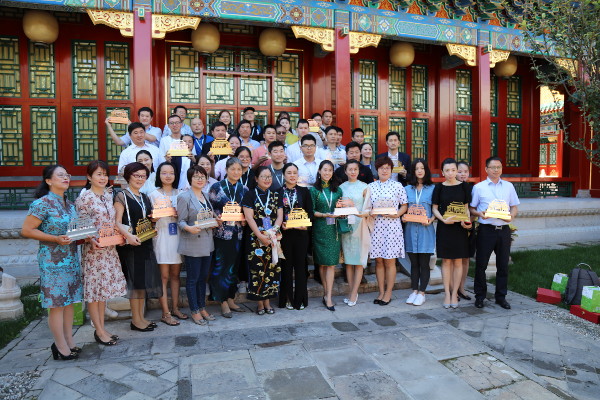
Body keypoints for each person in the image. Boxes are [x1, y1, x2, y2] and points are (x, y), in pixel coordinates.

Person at [21, 165, 83, 360]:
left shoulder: (70, 205)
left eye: (67, 175)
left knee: (70, 301)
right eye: (60, 175)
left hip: (71, 258)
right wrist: (54, 238)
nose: (66, 178)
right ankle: (60, 345)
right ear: (48, 180)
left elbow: (74, 230)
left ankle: (69, 341)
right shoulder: (42, 203)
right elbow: (27, 230)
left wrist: (85, 235)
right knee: (56, 304)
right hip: (52, 261)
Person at [75, 161, 127, 346]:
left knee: (102, 293)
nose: (103, 178)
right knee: (94, 293)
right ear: (89, 177)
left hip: (109, 249)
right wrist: (90, 239)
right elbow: (82, 226)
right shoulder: (84, 198)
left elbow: (113, 222)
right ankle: (98, 330)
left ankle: (102, 329)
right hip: (94, 252)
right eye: (98, 174)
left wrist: (120, 236)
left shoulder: (108, 195)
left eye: (105, 174)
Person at [114, 162, 162, 332]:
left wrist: (154, 220)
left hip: (145, 242)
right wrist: (128, 236)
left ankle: (141, 317)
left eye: (143, 176)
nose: (140, 179)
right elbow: (116, 222)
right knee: (135, 283)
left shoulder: (144, 197)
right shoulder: (121, 196)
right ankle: (136, 320)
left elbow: (147, 219)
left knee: (142, 283)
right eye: (137, 175)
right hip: (130, 245)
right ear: (128, 176)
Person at [469, 156, 520, 310]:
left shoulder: (509, 186)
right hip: (486, 230)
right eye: (493, 167)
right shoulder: (479, 187)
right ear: (486, 169)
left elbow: (514, 206)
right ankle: (480, 296)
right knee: (481, 265)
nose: (496, 170)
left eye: (499, 167)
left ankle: (501, 297)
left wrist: (511, 217)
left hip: (504, 230)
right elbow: (472, 208)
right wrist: (479, 214)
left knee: (503, 265)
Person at [208, 157, 248, 318]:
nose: (236, 172)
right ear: (226, 170)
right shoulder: (217, 187)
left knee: (234, 267)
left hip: (238, 233)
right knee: (221, 267)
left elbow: (247, 210)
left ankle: (231, 298)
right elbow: (209, 208)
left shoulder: (244, 189)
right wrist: (215, 217)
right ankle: (222, 301)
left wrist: (245, 219)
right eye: (233, 169)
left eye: (239, 169)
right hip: (221, 233)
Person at [365, 156, 408, 306]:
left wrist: (397, 214)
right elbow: (367, 206)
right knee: (378, 261)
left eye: (387, 168)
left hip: (392, 227)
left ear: (391, 170)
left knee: (390, 261)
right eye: (382, 168)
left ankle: (388, 292)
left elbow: (404, 205)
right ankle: (381, 291)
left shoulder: (397, 186)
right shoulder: (370, 187)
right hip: (376, 227)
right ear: (377, 170)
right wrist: (370, 212)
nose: (384, 171)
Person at [242, 166, 284, 314]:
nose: (267, 179)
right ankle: (260, 303)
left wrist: (274, 232)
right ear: (256, 179)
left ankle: (268, 302)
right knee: (258, 269)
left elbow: (279, 216)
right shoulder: (250, 195)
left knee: (272, 268)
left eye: (269, 176)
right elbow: (249, 218)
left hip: (273, 237)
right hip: (255, 239)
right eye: (263, 176)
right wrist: (260, 236)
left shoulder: (276, 195)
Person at [177, 165, 216, 325]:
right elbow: (180, 221)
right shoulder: (184, 197)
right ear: (190, 179)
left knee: (202, 278)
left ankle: (202, 307)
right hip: (192, 243)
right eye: (196, 176)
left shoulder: (206, 195)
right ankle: (194, 310)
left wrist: (215, 221)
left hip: (207, 242)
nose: (200, 179)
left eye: (202, 177)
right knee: (193, 279)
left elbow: (207, 217)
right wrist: (189, 228)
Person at [432, 158, 472, 309]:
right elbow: (435, 208)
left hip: (459, 229)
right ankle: (447, 294)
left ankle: (455, 293)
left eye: (453, 170)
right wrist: (443, 220)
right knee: (446, 261)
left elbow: (466, 207)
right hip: (445, 228)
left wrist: (466, 221)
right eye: (447, 170)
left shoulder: (464, 187)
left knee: (458, 261)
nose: (450, 173)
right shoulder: (439, 188)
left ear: (456, 171)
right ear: (442, 172)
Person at [149, 162, 185, 326]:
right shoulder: (153, 195)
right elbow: (149, 220)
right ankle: (165, 313)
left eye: (171, 172)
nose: (168, 176)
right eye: (164, 173)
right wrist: (154, 218)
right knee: (163, 276)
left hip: (178, 237)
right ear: (159, 175)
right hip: (162, 237)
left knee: (175, 276)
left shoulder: (181, 194)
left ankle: (175, 308)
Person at [310, 160, 343, 311]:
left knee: (331, 264)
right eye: (325, 170)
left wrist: (342, 211)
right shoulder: (314, 190)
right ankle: (325, 292)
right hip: (320, 229)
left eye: (330, 170)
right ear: (319, 171)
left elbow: (341, 208)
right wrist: (324, 214)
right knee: (322, 264)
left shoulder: (338, 190)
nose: (327, 173)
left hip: (333, 230)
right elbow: (311, 211)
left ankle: (328, 296)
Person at [279, 163, 313, 310]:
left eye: (294, 173)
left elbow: (310, 212)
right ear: (283, 175)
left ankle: (300, 299)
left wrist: (305, 225)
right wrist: (280, 225)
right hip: (285, 235)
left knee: (300, 267)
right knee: (286, 267)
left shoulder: (304, 191)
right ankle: (287, 298)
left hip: (301, 234)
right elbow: (275, 213)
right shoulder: (277, 192)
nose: (292, 175)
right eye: (289, 173)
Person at [404, 158, 436, 306]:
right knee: (414, 263)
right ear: (413, 171)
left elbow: (436, 209)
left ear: (426, 170)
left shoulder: (433, 189)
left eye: (422, 168)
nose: (419, 171)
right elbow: (403, 207)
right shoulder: (407, 189)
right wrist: (403, 216)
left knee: (424, 263)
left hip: (425, 230)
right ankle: (414, 291)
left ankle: (422, 292)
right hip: (411, 230)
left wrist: (432, 219)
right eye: (417, 168)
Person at [339, 160, 371, 307]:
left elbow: (368, 209)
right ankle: (351, 291)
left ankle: (353, 293)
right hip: (346, 227)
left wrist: (355, 210)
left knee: (358, 261)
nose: (352, 172)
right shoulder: (341, 187)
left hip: (360, 226)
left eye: (355, 169)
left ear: (359, 171)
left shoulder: (365, 187)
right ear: (345, 171)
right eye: (350, 169)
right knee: (348, 261)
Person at [457, 161, 474, 301]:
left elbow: (474, 209)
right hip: (453, 226)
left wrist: (469, 221)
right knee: (453, 260)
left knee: (465, 259)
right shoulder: (450, 187)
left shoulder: (471, 189)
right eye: (460, 171)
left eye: (465, 172)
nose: (463, 174)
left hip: (467, 227)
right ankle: (453, 289)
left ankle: (461, 288)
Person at [160, 114, 192, 190]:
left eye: (177, 122)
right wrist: (167, 160)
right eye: (172, 123)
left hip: (186, 174)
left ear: (181, 124)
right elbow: (161, 158)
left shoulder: (186, 139)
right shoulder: (164, 140)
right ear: (168, 126)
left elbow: (192, 155)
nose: (174, 125)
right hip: (171, 174)